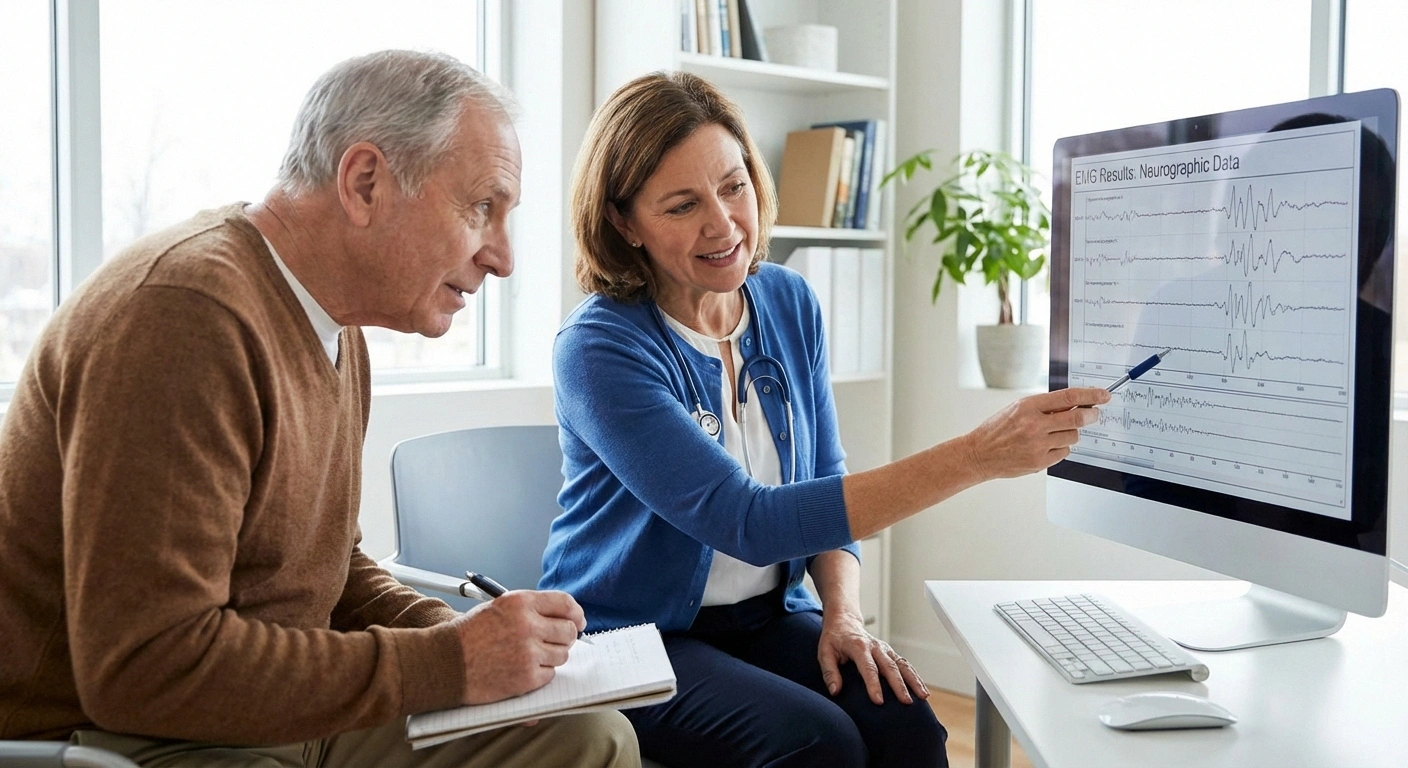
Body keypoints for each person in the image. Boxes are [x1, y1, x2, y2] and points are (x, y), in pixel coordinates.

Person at [0, 50, 638, 768]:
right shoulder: (184, 318)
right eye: (481, 208)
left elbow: (330, 565)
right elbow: (145, 667)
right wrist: (448, 662)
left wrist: (477, 644)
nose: (503, 257)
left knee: (588, 737)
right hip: (114, 733)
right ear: (365, 182)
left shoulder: (337, 329)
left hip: (275, 710)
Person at [541, 71, 1109, 768]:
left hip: (766, 618)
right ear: (624, 222)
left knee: (906, 725)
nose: (723, 224)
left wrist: (841, 612)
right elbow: (748, 522)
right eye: (683, 205)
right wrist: (976, 455)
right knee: (817, 745)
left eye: (734, 185)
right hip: (629, 638)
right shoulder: (599, 349)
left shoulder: (787, 302)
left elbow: (824, 477)